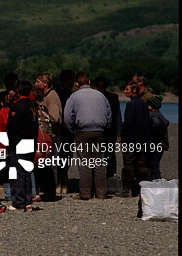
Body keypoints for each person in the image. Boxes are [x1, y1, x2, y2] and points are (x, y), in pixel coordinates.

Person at [64, 72, 111, 201]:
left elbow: (68, 117)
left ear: (77, 84)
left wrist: (73, 131)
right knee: (99, 162)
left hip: (83, 131)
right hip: (100, 130)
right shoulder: (101, 96)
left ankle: (85, 194)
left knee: (85, 162)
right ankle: (101, 193)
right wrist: (105, 129)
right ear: (89, 82)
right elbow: (108, 114)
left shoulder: (74, 97)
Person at [6, 80, 38, 211]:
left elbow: (11, 127)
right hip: (31, 142)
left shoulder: (17, 107)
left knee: (18, 173)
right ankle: (28, 200)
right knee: (27, 172)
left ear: (17, 91)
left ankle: (18, 202)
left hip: (19, 143)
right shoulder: (33, 106)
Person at [117, 81, 151, 197]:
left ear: (134, 90)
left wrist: (121, 134)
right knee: (141, 163)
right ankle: (143, 189)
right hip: (142, 139)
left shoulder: (131, 105)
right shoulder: (143, 104)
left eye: (127, 89)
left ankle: (127, 189)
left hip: (131, 139)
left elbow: (128, 123)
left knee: (129, 163)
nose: (125, 91)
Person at [92, 76, 121, 179]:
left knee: (108, 154)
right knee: (106, 154)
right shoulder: (112, 97)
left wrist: (118, 132)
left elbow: (117, 115)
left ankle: (109, 175)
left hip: (108, 131)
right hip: (106, 130)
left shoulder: (111, 97)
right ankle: (108, 175)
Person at [146, 95, 169, 180]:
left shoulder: (154, 116)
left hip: (156, 145)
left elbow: (155, 125)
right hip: (161, 145)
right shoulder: (159, 115)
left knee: (154, 166)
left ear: (151, 106)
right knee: (155, 165)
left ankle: (157, 183)